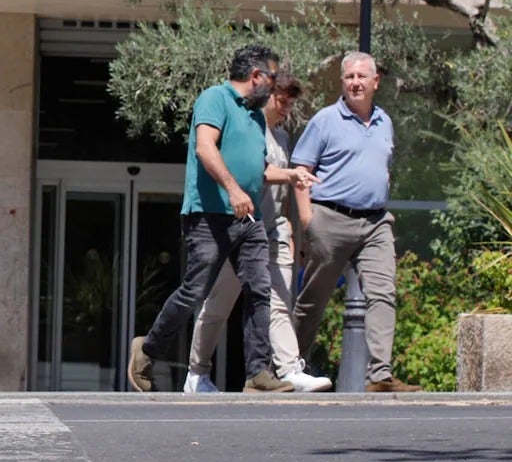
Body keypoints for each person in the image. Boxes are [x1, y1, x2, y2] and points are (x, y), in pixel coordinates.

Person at [129, 45, 295, 393]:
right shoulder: (214, 99)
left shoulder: (253, 115)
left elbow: (259, 168)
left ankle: (257, 373)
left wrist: (292, 176)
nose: (275, 85)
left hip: (246, 218)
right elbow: (206, 147)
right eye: (273, 77)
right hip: (209, 216)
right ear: (256, 76)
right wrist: (234, 190)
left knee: (259, 290)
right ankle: (146, 350)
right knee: (194, 292)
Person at [182, 70, 331, 393]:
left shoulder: (282, 136)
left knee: (278, 300)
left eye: (291, 103)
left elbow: (284, 191)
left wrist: (292, 229)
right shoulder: (248, 129)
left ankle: (289, 368)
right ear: (266, 96)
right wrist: (291, 175)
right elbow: (259, 174)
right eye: (281, 101)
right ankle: (196, 373)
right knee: (219, 304)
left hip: (274, 230)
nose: (286, 109)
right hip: (242, 229)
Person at [290, 52, 422, 393]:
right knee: (313, 298)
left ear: (375, 82)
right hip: (331, 219)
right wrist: (308, 221)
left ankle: (380, 375)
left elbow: (383, 165)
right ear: (342, 82)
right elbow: (301, 172)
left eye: (362, 76)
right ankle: (288, 368)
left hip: (376, 222)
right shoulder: (325, 120)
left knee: (383, 294)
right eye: (349, 77)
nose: (355, 82)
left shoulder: (384, 121)